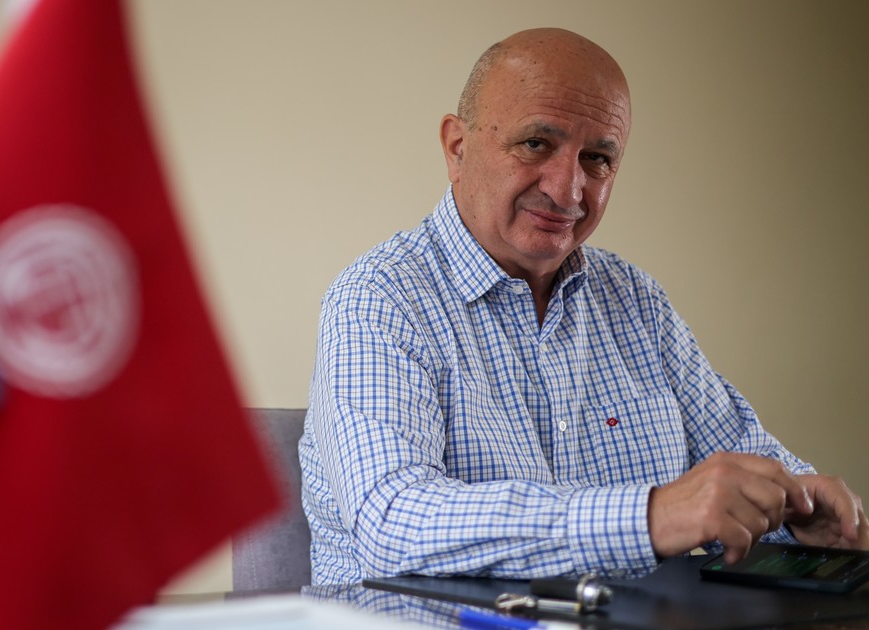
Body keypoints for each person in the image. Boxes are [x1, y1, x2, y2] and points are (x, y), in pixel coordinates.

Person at [298, 27, 868, 586]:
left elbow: (740, 471)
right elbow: (393, 522)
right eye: (536, 144)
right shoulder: (379, 296)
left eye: (597, 158)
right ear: (458, 147)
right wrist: (651, 517)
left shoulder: (636, 301)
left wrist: (800, 514)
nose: (568, 190)